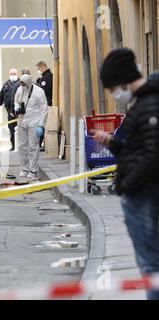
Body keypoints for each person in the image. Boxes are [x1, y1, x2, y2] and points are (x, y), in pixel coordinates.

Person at [94, 48, 159, 300]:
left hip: (143, 193)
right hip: (142, 191)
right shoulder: (143, 103)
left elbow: (153, 157)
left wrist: (127, 185)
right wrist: (113, 143)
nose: (114, 94)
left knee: (150, 263)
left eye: (112, 89)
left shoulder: (150, 105)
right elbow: (139, 150)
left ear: (123, 81)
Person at [15, 74, 48, 180]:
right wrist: (17, 108)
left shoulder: (39, 92)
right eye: (21, 83)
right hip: (22, 121)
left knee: (33, 147)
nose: (22, 85)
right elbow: (16, 101)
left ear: (29, 83)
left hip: (34, 122)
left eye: (24, 83)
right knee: (21, 146)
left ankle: (33, 169)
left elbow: (44, 109)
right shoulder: (19, 90)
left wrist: (41, 125)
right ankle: (24, 168)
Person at [0, 68, 20, 151]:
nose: (13, 75)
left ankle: (20, 146)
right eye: (11, 74)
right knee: (11, 129)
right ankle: (13, 145)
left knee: (21, 129)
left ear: (17, 74)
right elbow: (1, 96)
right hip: (10, 112)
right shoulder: (6, 85)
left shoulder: (21, 84)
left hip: (19, 112)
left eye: (14, 73)